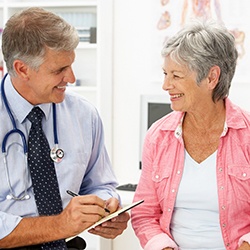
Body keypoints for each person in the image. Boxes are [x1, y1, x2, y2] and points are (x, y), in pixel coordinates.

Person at [0, 7, 129, 249]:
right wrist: (59, 225)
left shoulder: (84, 115)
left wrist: (106, 209)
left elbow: (100, 184)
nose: (71, 78)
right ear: (22, 69)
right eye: (59, 70)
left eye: (70, 65)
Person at [131, 19, 250, 250]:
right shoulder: (158, 135)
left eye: (176, 76)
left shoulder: (247, 135)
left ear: (211, 77)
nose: (166, 85)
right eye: (165, 73)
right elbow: (144, 213)